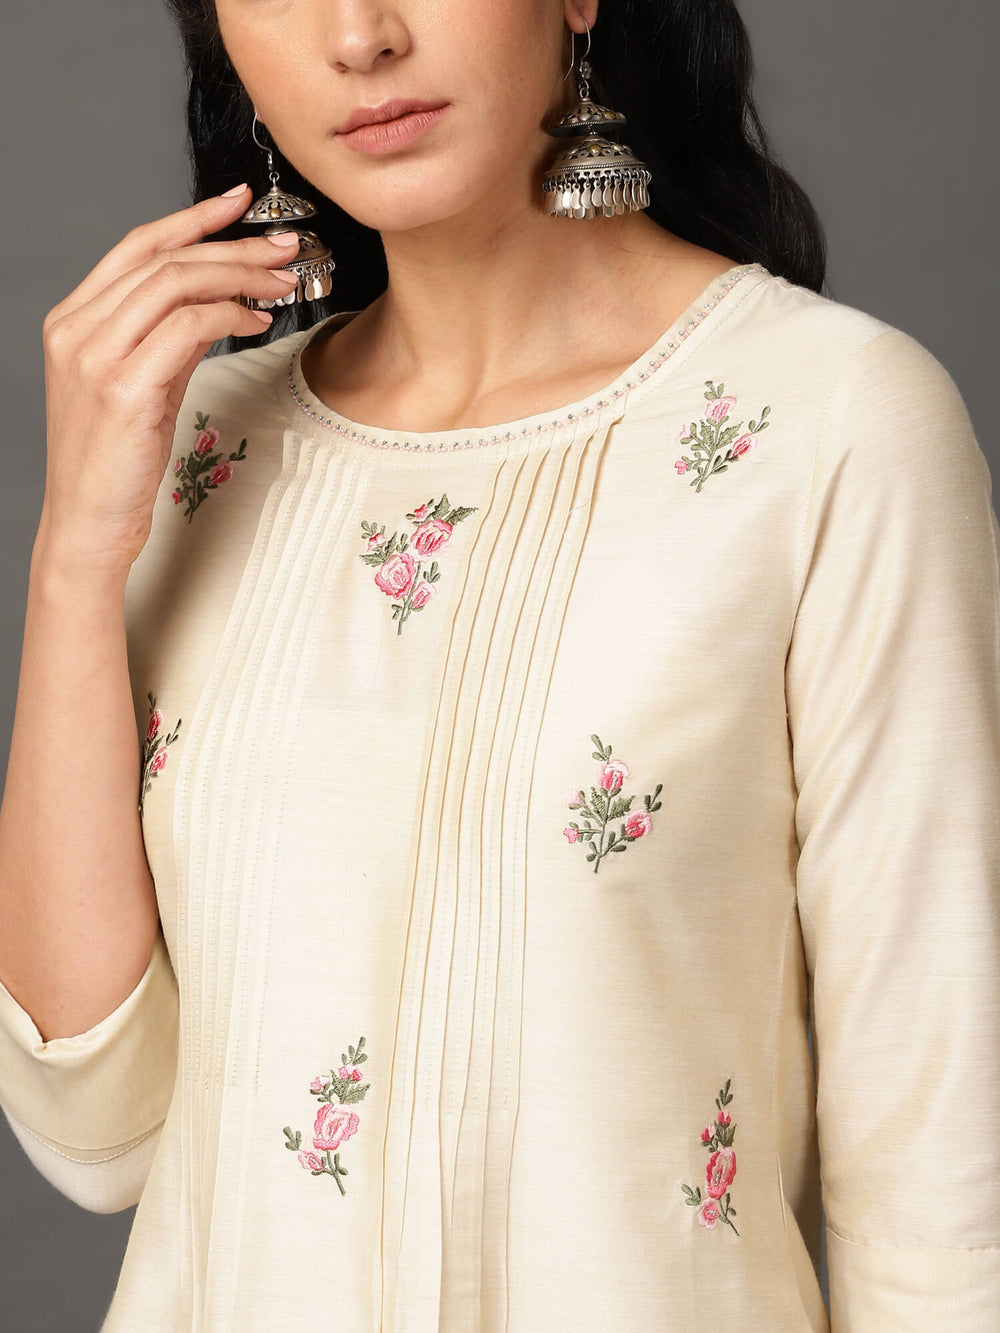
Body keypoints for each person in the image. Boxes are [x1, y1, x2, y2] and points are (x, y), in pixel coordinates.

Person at [0, 0, 997, 1327]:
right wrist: (73, 556)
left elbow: (941, 1163)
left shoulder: (828, 428)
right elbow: (94, 1128)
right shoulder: (199, 446)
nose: (358, 36)